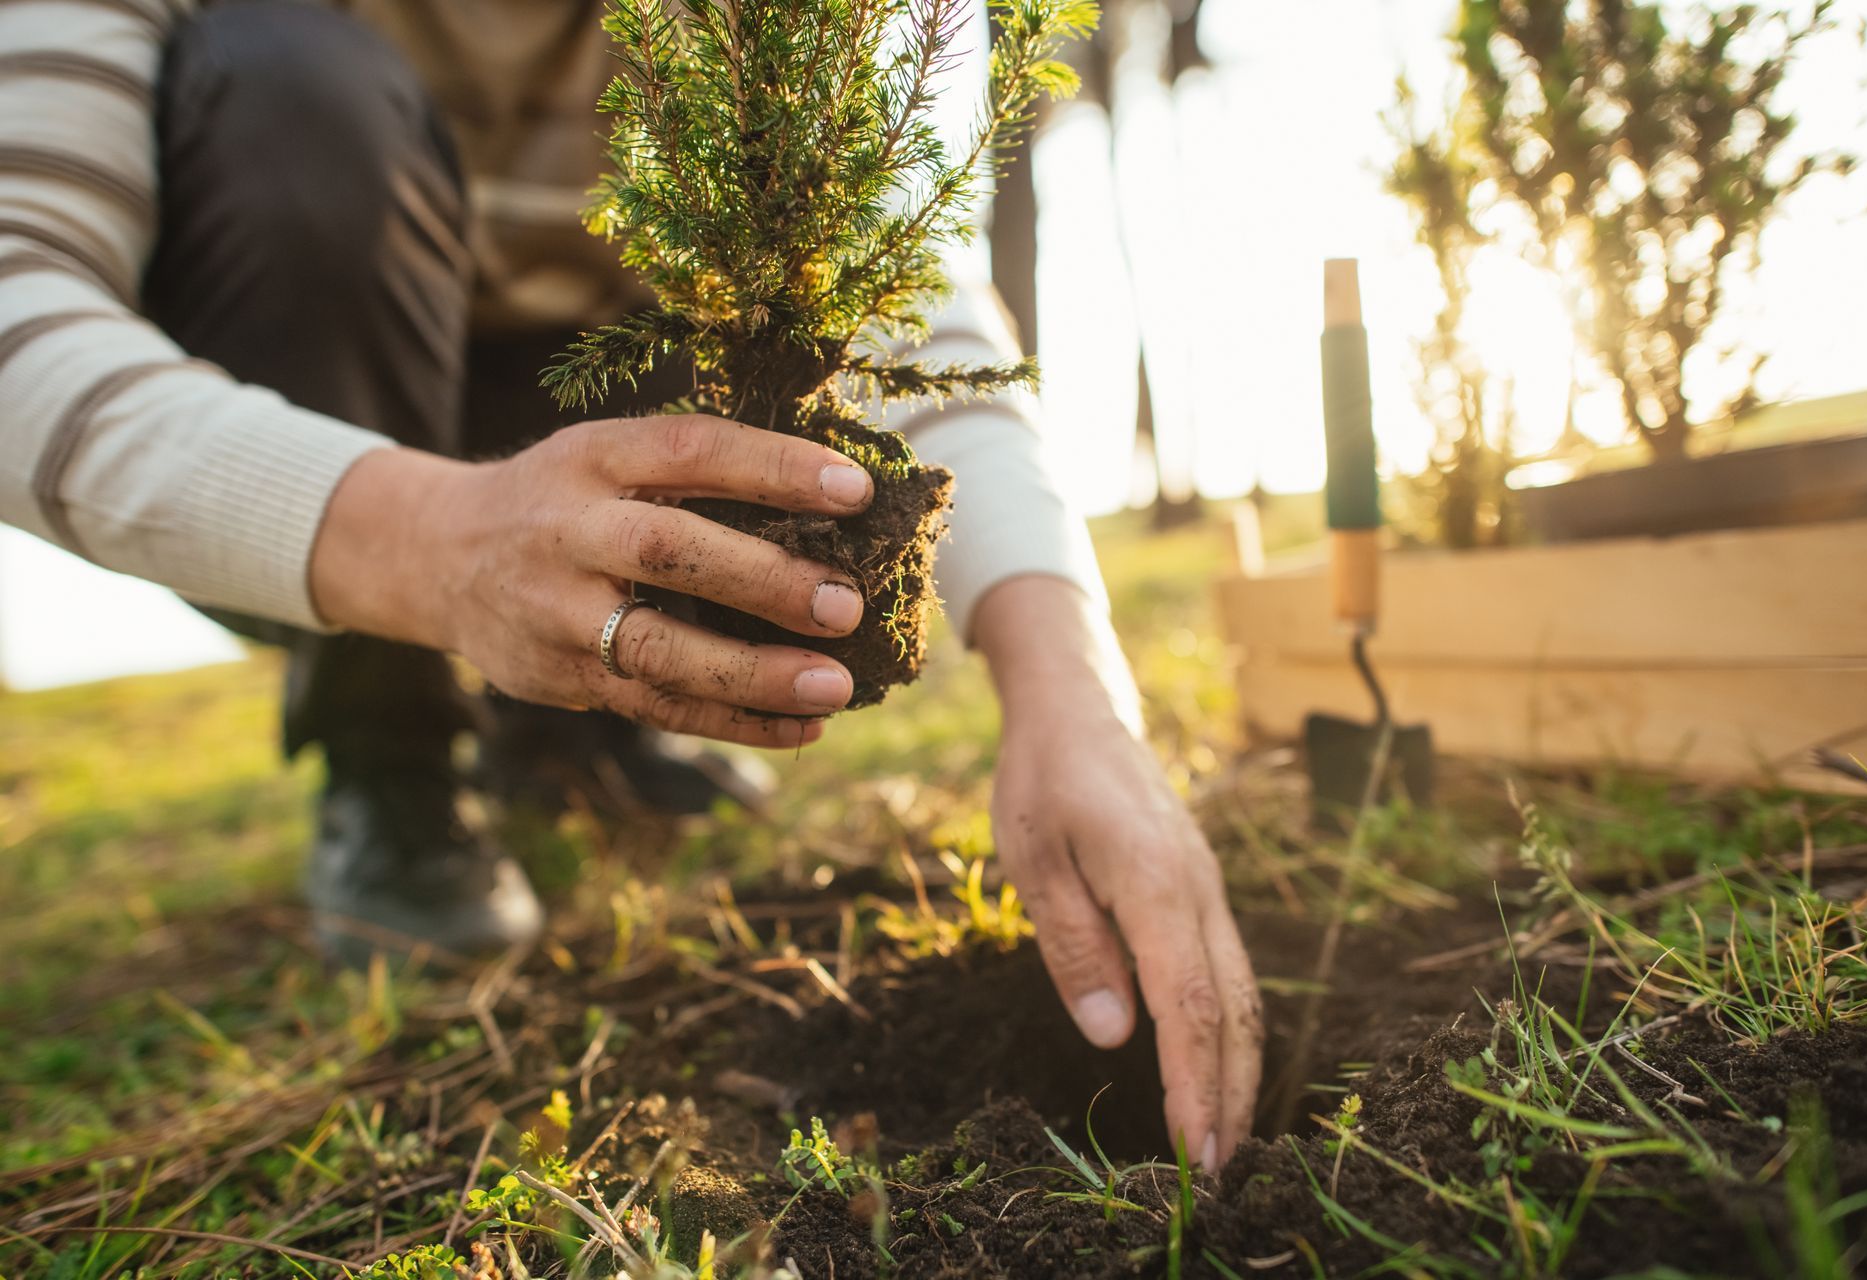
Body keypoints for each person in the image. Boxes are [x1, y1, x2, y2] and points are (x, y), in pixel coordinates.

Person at [0, 0, 1261, 1169]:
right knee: (289, 93)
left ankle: (578, 730)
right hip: (304, 400)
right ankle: (387, 738)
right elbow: (17, 304)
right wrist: (439, 540)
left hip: (596, 379)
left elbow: (906, 311)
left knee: (763, 246)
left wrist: (1069, 680)